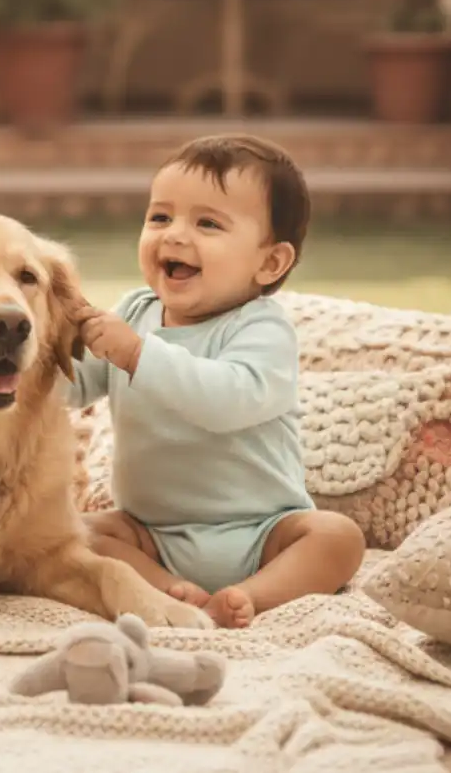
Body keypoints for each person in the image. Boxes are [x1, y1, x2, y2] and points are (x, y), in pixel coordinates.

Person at [68, 133, 365, 628]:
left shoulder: (261, 327)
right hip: (150, 533)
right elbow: (74, 386)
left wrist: (137, 353)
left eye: (207, 223)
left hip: (263, 533)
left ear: (269, 262)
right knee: (77, 534)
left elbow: (226, 401)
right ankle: (169, 591)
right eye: (160, 217)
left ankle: (249, 595)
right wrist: (28, 359)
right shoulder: (135, 313)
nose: (174, 235)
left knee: (337, 537)